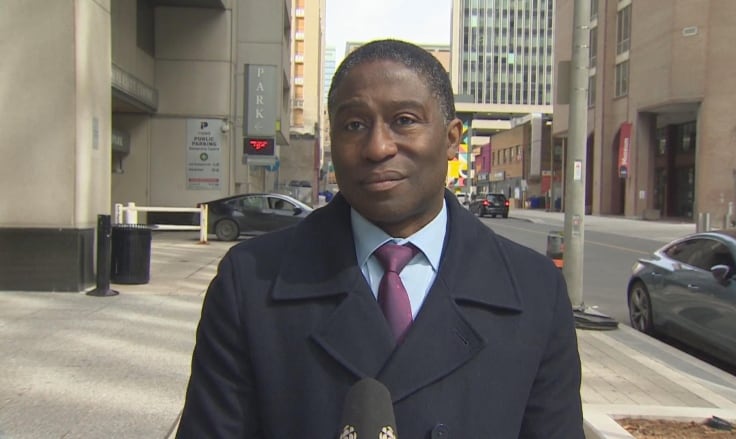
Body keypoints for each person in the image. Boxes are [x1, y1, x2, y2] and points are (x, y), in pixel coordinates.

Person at [176, 39, 584, 438]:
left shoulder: (534, 291)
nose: (377, 147)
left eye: (404, 120)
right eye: (354, 125)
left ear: (451, 138)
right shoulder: (250, 281)